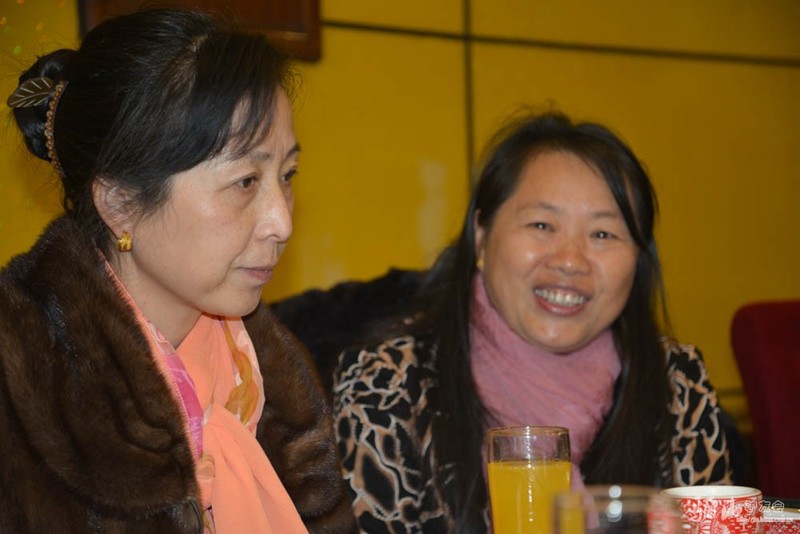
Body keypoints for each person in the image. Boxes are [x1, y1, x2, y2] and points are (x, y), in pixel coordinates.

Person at [0, 8, 354, 533]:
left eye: (287, 175)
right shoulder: (20, 385)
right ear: (120, 203)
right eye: (245, 182)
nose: (281, 222)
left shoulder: (267, 378)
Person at [329, 112, 733, 532]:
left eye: (603, 234)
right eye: (542, 225)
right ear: (481, 236)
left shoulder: (676, 383)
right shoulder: (389, 384)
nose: (570, 261)